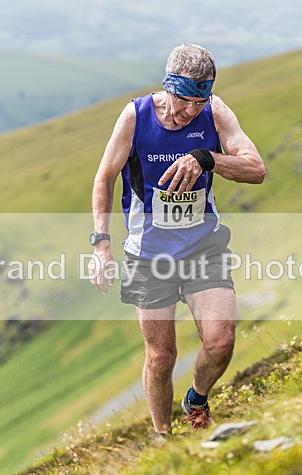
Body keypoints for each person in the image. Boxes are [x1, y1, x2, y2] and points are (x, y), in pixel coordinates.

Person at [89, 43, 265, 438]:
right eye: (184, 101)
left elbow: (256, 169)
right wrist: (101, 245)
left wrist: (208, 158)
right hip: (147, 255)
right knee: (161, 355)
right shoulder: (135, 116)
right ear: (167, 88)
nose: (190, 111)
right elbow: (104, 178)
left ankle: (197, 400)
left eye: (198, 103)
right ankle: (162, 437)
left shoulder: (214, 112)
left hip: (204, 246)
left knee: (220, 341)